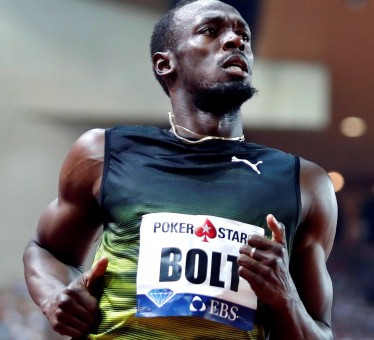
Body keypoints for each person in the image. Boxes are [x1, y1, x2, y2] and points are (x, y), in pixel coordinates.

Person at [22, 0, 337, 338]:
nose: (236, 41)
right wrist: (55, 297)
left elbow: (321, 332)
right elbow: (45, 250)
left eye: (243, 35)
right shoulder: (103, 153)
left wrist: (286, 298)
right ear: (165, 63)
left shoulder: (303, 183)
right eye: (211, 31)